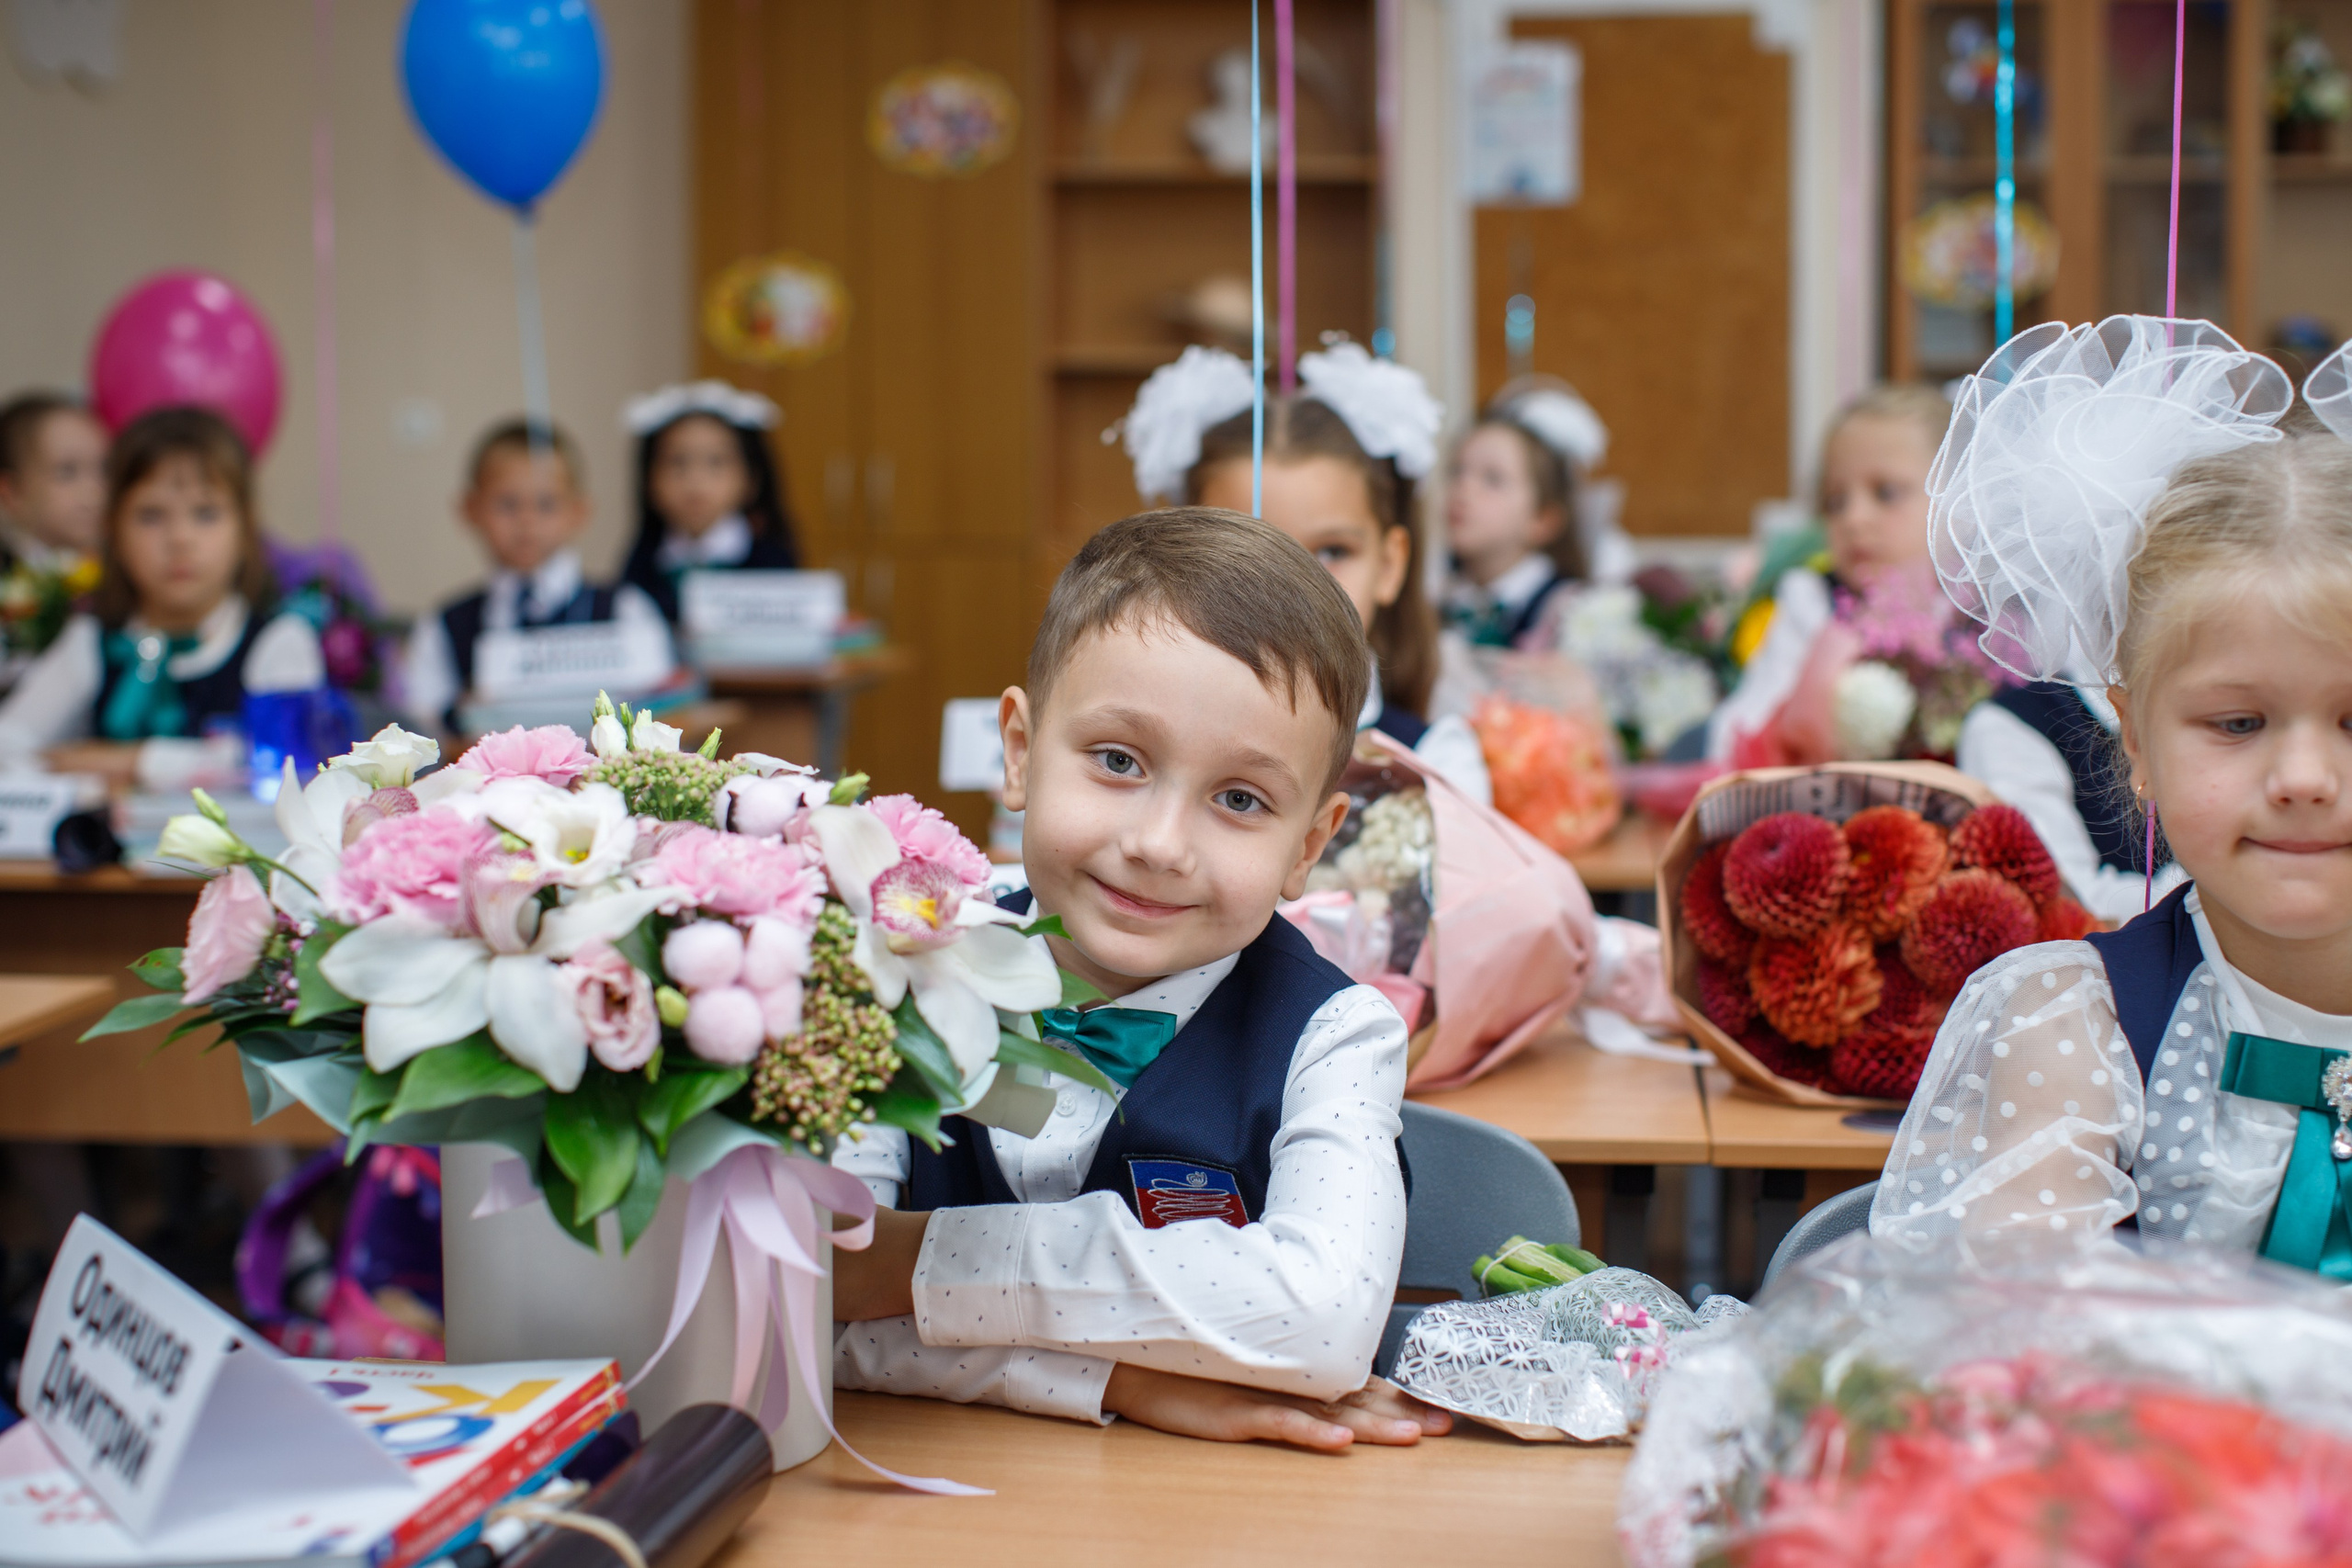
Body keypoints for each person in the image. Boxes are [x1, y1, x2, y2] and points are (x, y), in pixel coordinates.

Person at [830, 508, 1449, 1450]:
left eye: (1240, 800)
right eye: (1118, 761)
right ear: (1017, 750)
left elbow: (1321, 1322)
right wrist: (1118, 1378)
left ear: (1309, 846)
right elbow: (804, 1311)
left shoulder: (1336, 1034)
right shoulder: (891, 971)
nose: (1158, 846)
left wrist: (913, 1264)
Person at [1875, 318, 2352, 1277]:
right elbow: (2044, 1362)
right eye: (2237, 723)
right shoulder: (2075, 1033)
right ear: (2135, 740)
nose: (2303, 779)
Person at [1117, 343, 1491, 804]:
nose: (1294, 587)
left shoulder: (1438, 767)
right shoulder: (1129, 749)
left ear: (1389, 565)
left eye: (1332, 551)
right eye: (1245, 551)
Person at [0, 405, 322, 787]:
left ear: (245, 527)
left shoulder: (279, 640)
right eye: (151, 515)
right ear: (112, 528)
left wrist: (128, 761)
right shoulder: (90, 641)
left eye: (205, 513)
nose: (180, 539)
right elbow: (9, 746)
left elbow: (282, 762)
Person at [1706, 384, 1955, 761]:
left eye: (1886, 493)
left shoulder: (1979, 618)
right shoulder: (1810, 602)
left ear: (1959, 499)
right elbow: (1734, 733)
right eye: (1835, 501)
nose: (1853, 519)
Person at [401, 419, 669, 735]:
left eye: (546, 504)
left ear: (579, 511)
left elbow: (662, 711)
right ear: (470, 509)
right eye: (508, 504)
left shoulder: (627, 609)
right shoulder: (444, 626)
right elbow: (423, 728)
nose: (527, 521)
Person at [1440, 377, 1610, 649]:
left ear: (1542, 519)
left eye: (1492, 479)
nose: (1463, 489)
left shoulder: (1566, 612)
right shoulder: (1438, 597)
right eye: (1457, 471)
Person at [616, 380, 798, 623]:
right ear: (649, 480)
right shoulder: (643, 561)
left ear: (752, 479)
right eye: (677, 462)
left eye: (715, 462)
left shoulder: (772, 560)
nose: (695, 480)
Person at [0, 393, 107, 657]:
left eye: (105, 469)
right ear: (12, 492)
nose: (95, 492)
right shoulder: (8, 580)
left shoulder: (121, 568)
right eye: (67, 472)